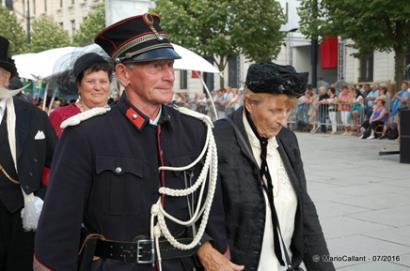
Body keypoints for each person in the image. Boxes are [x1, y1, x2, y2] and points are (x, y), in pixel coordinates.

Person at [34, 13, 229, 271]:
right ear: (124, 74)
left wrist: (216, 253)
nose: (169, 76)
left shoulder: (195, 130)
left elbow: (211, 214)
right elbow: (59, 228)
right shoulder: (86, 135)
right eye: (155, 67)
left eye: (170, 66)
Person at [204, 63, 335, 271]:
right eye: (275, 110)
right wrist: (205, 249)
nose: (283, 120)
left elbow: (305, 209)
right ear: (249, 103)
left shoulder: (287, 139)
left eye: (288, 111)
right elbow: (194, 211)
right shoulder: (217, 140)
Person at [0, 35, 57, 271]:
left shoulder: (34, 116)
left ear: (6, 77)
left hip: (21, 213)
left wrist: (41, 198)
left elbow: (59, 164)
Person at [49, 53, 113, 137]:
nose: (97, 87)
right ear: (79, 85)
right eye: (91, 82)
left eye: (103, 82)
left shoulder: (118, 116)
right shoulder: (60, 115)